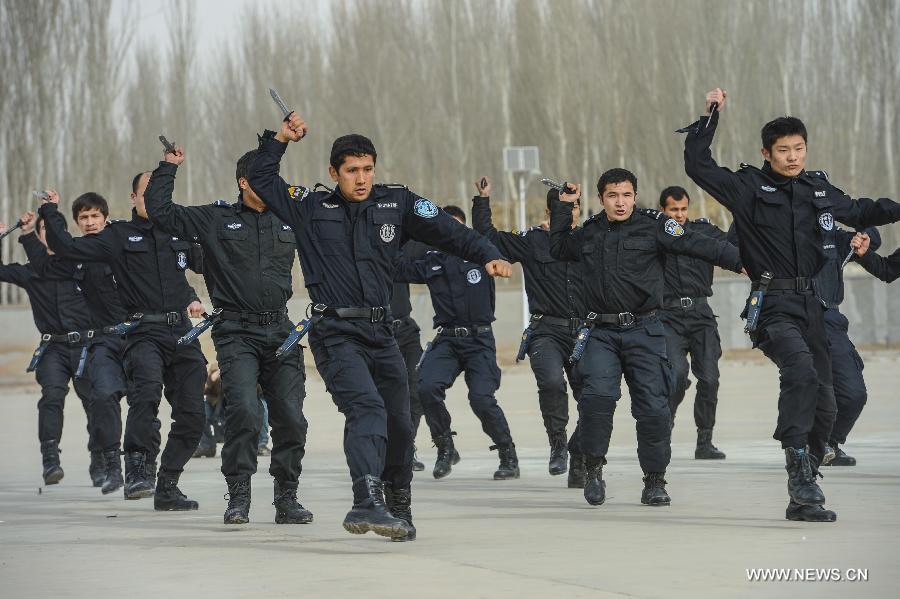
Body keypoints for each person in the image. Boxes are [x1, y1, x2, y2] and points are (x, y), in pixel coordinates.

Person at [247, 110, 511, 541]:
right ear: (334, 172)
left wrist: (487, 254)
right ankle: (365, 500)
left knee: (401, 422)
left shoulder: (397, 202)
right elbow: (261, 178)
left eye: (368, 169)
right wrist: (280, 138)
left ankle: (399, 506)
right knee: (366, 409)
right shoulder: (310, 207)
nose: (362, 178)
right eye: (352, 171)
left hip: (383, 331)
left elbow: (448, 231)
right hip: (335, 332)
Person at [682, 87, 900, 522]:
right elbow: (698, 165)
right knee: (799, 372)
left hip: (814, 305)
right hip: (774, 301)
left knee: (829, 401)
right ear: (767, 152)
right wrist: (710, 117)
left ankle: (807, 476)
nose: (793, 156)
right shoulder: (746, 187)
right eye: (783, 150)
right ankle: (799, 477)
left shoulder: (818, 188)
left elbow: (860, 210)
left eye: (799, 148)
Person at [549, 168, 742, 508]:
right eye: (612, 195)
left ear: (635, 197)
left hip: (645, 329)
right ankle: (593, 469)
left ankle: (654, 481)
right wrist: (564, 206)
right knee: (596, 400)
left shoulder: (655, 226)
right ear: (601, 199)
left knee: (653, 408)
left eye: (625, 195)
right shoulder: (590, 232)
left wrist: (741, 262)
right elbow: (560, 247)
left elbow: (697, 244)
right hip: (601, 332)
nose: (620, 202)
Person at [145, 144, 311, 525]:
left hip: (281, 330)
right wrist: (168, 167)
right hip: (237, 332)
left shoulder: (291, 218)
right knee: (245, 414)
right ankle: (239, 496)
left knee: (290, 416)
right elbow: (162, 212)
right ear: (243, 182)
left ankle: (287, 499)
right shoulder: (215, 219)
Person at [38, 172, 207, 511]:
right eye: (146, 194)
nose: (153, 200)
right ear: (133, 198)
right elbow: (65, 247)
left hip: (183, 332)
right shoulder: (117, 236)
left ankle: (168, 484)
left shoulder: (179, 233)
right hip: (142, 332)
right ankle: (138, 471)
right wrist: (52, 212)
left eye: (159, 195)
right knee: (145, 397)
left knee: (192, 415)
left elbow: (209, 265)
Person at [471, 177, 587, 483]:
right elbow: (487, 237)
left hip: (587, 333)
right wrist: (483, 199)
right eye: (566, 207)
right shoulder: (532, 240)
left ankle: (580, 453)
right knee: (551, 383)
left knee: (594, 397)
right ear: (550, 212)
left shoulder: (589, 239)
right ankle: (558, 445)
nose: (572, 213)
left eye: (575, 207)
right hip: (546, 330)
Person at [396, 205, 519, 481]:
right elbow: (395, 266)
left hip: (479, 340)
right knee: (426, 387)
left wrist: (482, 202)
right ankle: (445, 448)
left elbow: (494, 241)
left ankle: (507, 454)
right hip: (448, 340)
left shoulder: (483, 255)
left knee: (481, 398)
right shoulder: (432, 260)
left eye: (456, 228)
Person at [25, 192, 132, 494]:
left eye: (95, 216)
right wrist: (39, 223)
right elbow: (45, 268)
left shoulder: (122, 242)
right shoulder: (77, 260)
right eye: (83, 218)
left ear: (106, 217)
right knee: (102, 397)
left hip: (139, 335)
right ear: (76, 223)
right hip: (101, 342)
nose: (89, 222)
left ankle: (145, 468)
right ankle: (112, 465)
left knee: (145, 401)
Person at [0, 213, 98, 486]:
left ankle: (101, 456)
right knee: (52, 397)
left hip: (85, 346)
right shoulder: (30, 272)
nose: (49, 235)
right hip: (52, 348)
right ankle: (50, 458)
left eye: (54, 230)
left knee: (95, 401)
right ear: (38, 236)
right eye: (43, 230)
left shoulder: (82, 265)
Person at [657, 186, 734, 460]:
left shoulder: (703, 232)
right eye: (673, 210)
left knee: (710, 379)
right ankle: (665, 426)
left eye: (682, 209)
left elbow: (733, 245)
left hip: (701, 315)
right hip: (667, 317)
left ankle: (705, 441)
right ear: (662, 211)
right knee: (676, 375)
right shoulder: (654, 236)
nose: (679, 215)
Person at [389, 239, 431, 472]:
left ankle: (406, 447)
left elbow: (428, 245)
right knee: (389, 395)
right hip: (378, 332)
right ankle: (390, 450)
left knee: (417, 390)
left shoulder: (400, 243)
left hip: (406, 329)